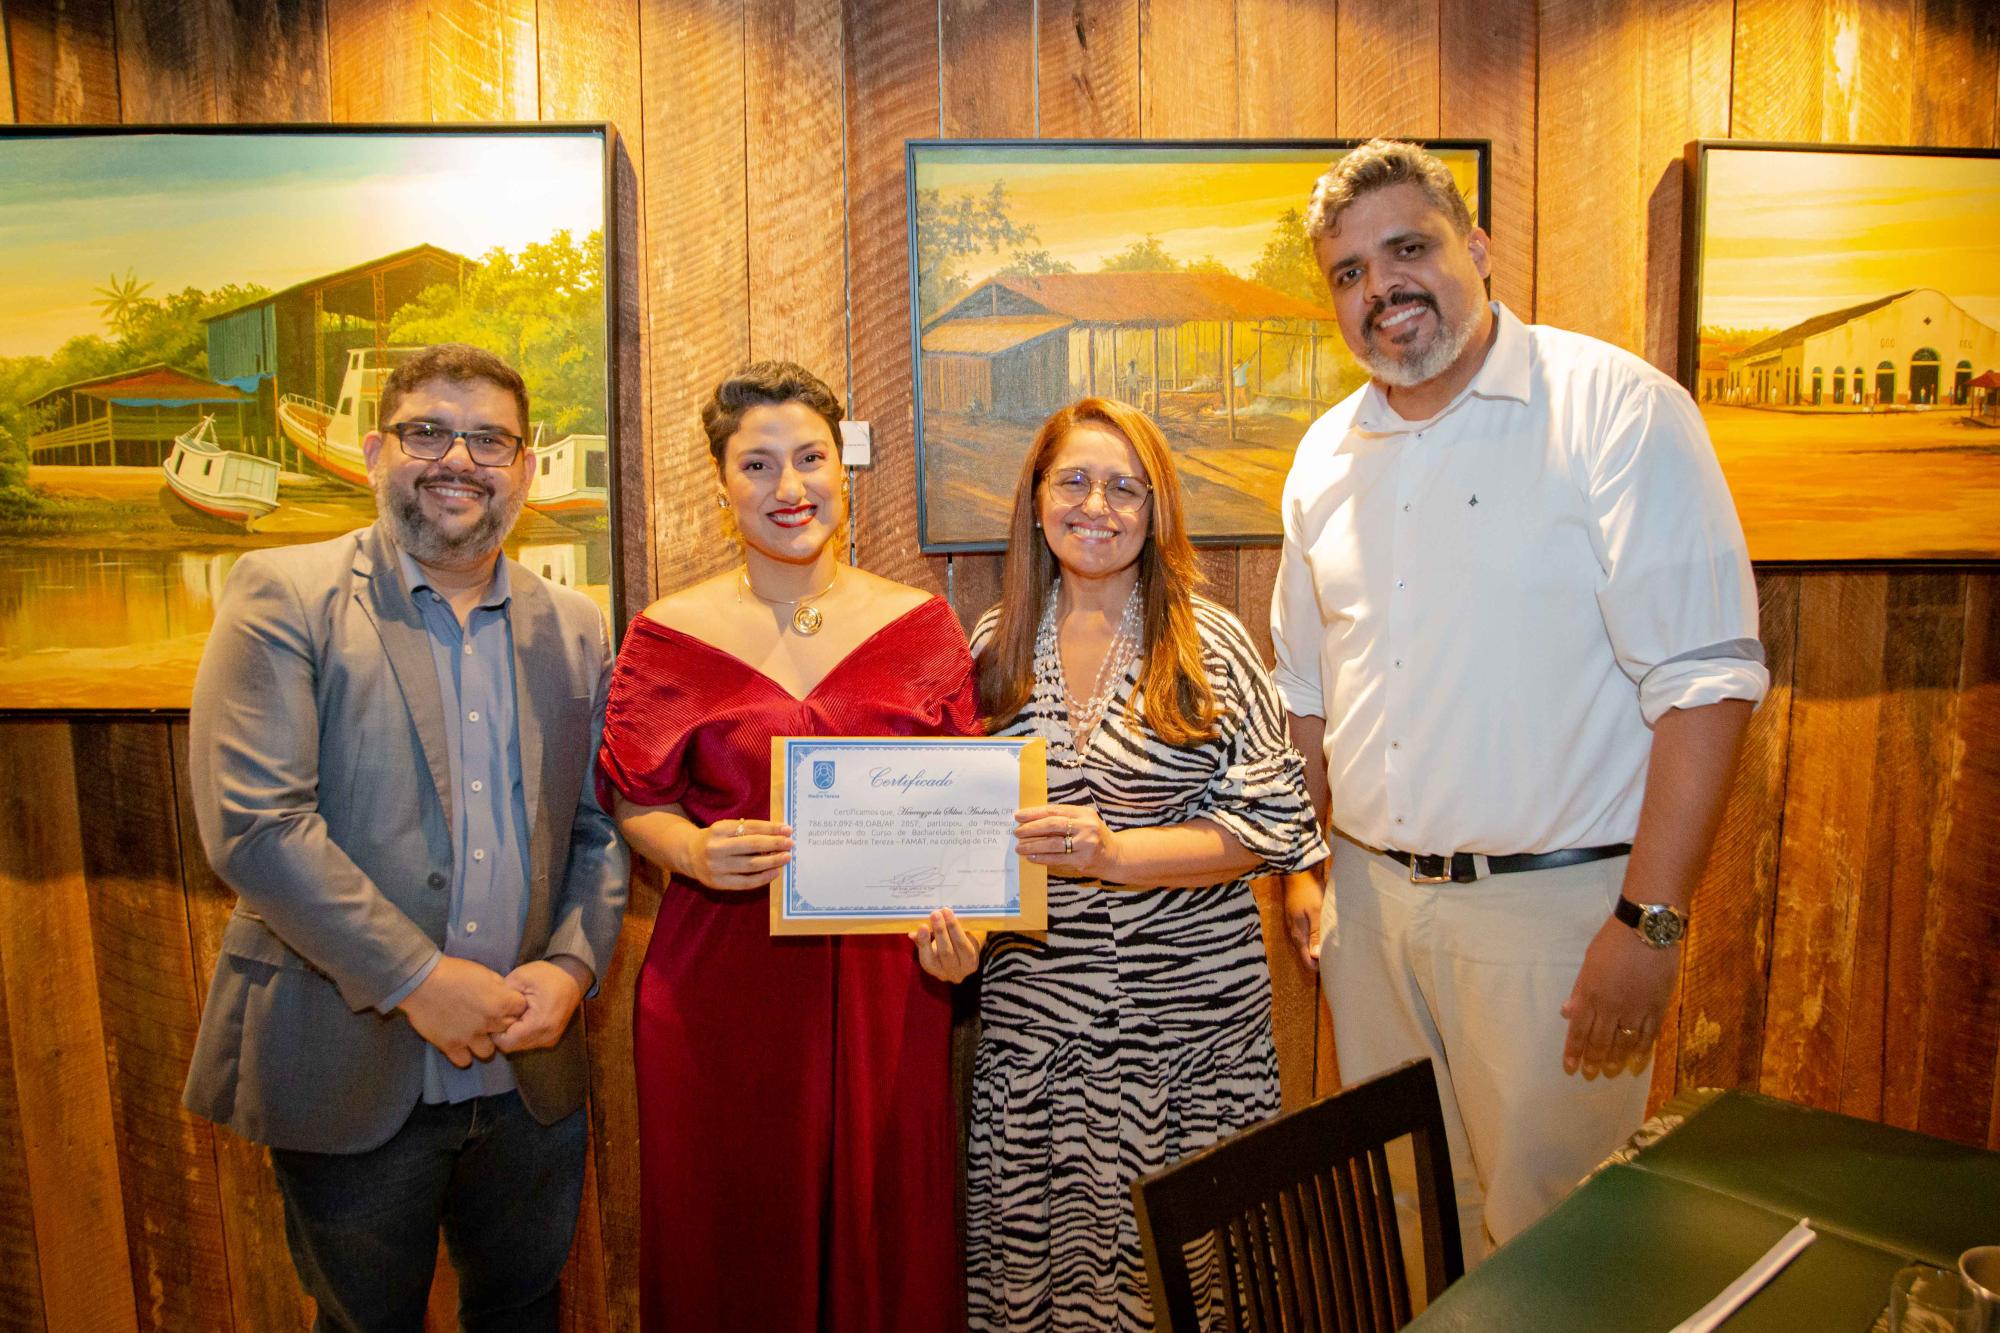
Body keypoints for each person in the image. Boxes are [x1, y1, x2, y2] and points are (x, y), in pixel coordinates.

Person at [1270, 139, 1769, 1259]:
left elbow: (1704, 684)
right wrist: (1311, 870)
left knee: (1554, 1239)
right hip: (1370, 913)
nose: (1380, 288)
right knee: (1405, 1213)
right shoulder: (1321, 457)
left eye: (1407, 248)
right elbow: (1305, 695)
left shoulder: (1615, 413)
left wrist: (1647, 924)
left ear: (1477, 249)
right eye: (1347, 272)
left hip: (1555, 919)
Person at [182, 342, 629, 1331]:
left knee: (523, 1307)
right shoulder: (281, 593)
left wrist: (570, 966)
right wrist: (420, 980)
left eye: (487, 438)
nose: (457, 459)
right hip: (348, 1059)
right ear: (380, 448)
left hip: (529, 1067)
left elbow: (601, 827)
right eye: (428, 431)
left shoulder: (576, 626)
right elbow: (256, 827)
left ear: (522, 463)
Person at [915, 396, 1328, 1331]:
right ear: (1035, 501)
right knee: (1042, 1295)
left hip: (1190, 1045)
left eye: (1124, 487)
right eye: (1074, 481)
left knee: (1192, 1292)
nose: (1097, 505)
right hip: (1039, 1050)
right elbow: (967, 844)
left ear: (1154, 509)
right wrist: (960, 944)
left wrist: (1117, 854)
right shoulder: (990, 651)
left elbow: (1272, 822)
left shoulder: (1210, 644)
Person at [596, 361, 974, 1331]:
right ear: (722, 485)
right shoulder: (666, 633)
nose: (788, 487)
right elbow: (633, 800)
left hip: (891, 983)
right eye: (756, 464)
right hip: (721, 985)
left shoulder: (920, 624)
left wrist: (964, 933)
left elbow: (962, 821)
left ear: (842, 470)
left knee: (885, 1233)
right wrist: (690, 853)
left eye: (809, 458)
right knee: (729, 1236)